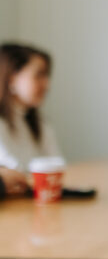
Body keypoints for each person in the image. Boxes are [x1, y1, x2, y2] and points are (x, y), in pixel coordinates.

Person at [0, 43, 61, 171]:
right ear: (11, 79)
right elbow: (14, 174)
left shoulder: (38, 123)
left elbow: (57, 164)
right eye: (39, 75)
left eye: (47, 75)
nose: (47, 85)